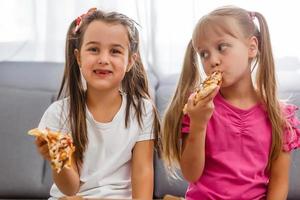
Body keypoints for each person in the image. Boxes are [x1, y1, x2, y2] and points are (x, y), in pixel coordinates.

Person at [162, 5, 300, 200]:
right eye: (204, 53)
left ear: (252, 47)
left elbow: (279, 184)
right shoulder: (198, 107)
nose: (212, 60)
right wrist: (199, 124)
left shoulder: (280, 116)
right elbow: (191, 174)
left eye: (221, 47)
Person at [34, 8, 160, 199]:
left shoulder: (143, 110)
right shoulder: (59, 113)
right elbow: (70, 189)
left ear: (130, 62)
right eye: (93, 49)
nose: (103, 59)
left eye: (115, 51)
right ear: (78, 57)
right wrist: (57, 158)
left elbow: (143, 173)